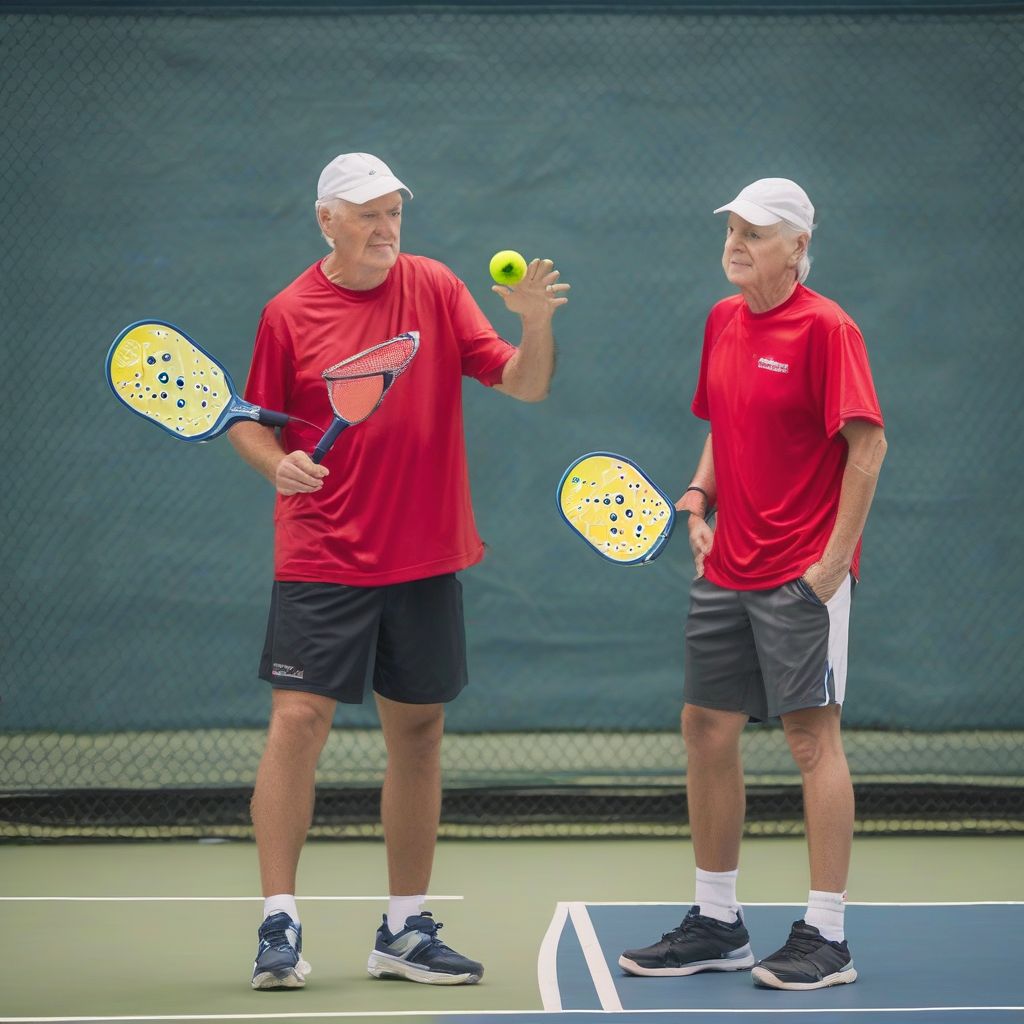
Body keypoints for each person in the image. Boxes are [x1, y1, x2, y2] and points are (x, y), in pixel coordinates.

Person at [229, 152, 569, 991]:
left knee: (417, 734)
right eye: (369, 215)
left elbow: (523, 385)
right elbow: (247, 419)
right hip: (323, 553)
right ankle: (279, 923)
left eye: (394, 214)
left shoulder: (438, 288)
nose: (386, 230)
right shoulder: (289, 312)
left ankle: (405, 930)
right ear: (327, 221)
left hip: (424, 554)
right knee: (298, 721)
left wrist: (533, 320)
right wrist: (276, 465)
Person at [618, 178, 886, 991]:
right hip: (726, 564)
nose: (736, 242)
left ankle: (828, 937)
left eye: (756, 233)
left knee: (812, 741)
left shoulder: (829, 328)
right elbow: (722, 425)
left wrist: (832, 563)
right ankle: (718, 922)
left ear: (799, 246)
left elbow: (867, 449)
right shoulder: (722, 320)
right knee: (705, 727)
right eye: (732, 228)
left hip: (802, 572)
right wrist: (699, 498)